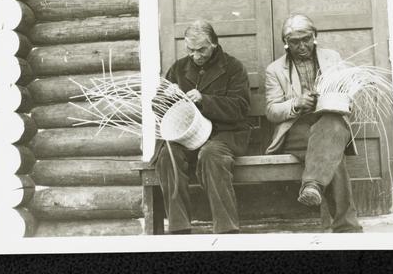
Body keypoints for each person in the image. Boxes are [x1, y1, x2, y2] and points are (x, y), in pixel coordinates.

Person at [150, 20, 251, 234]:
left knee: (211, 154)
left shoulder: (233, 67)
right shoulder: (178, 68)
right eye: (190, 50)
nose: (196, 56)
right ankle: (179, 229)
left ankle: (226, 230)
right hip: (185, 138)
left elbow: (240, 107)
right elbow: (157, 107)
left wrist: (204, 100)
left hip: (223, 134)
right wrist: (167, 98)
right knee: (167, 156)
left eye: (201, 50)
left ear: (214, 43)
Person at [264, 14, 363, 233]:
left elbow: (348, 93)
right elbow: (271, 110)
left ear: (315, 36)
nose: (302, 46)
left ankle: (312, 185)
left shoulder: (332, 57)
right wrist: (296, 104)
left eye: (306, 39)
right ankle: (346, 227)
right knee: (331, 151)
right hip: (297, 127)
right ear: (286, 44)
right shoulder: (275, 69)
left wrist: (338, 98)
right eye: (294, 42)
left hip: (330, 119)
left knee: (331, 130)